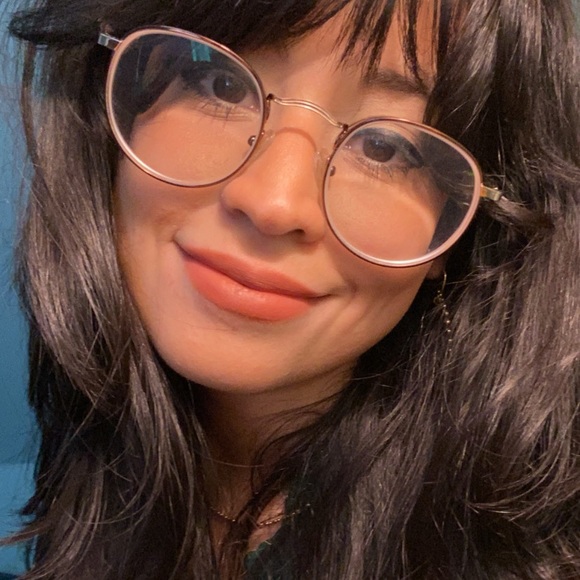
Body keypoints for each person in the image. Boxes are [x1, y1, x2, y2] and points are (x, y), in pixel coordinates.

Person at [2, 0, 579, 577]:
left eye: (385, 147)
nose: (273, 202)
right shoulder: (91, 445)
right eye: (221, 83)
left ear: (461, 229)